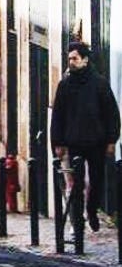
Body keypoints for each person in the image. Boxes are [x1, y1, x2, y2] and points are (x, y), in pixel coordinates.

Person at [50, 39, 122, 233]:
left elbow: (112, 114)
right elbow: (58, 115)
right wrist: (57, 142)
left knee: (97, 181)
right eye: (69, 59)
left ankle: (91, 211)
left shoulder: (99, 84)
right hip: (74, 142)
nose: (71, 62)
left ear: (85, 60)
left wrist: (111, 140)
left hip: (97, 142)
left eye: (75, 58)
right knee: (76, 184)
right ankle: (78, 220)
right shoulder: (65, 85)